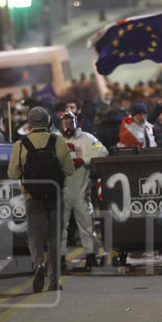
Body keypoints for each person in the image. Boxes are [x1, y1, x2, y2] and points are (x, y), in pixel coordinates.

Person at [7, 107, 75, 293]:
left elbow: (12, 173)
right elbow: (70, 171)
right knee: (55, 238)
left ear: (29, 124)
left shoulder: (21, 145)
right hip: (55, 195)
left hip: (32, 197)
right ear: (48, 121)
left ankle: (38, 264)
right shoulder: (58, 141)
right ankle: (54, 281)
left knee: (34, 235)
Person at [59, 111, 107, 271]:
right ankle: (60, 258)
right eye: (65, 122)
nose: (68, 126)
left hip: (81, 188)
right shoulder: (56, 139)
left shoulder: (86, 138)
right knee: (61, 226)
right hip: (63, 189)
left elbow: (102, 151)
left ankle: (90, 255)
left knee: (86, 223)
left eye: (70, 122)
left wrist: (84, 160)